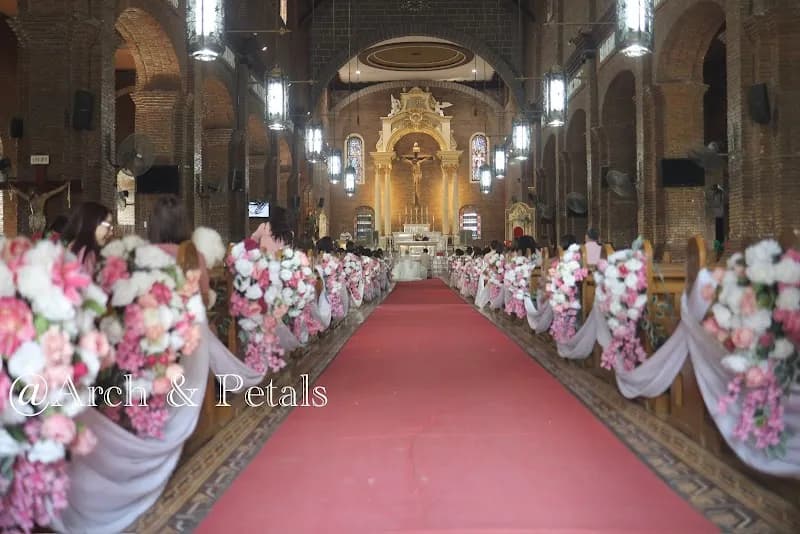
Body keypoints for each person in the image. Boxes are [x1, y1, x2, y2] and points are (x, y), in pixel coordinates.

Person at [147, 195, 211, 305]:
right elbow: (204, 297)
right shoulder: (194, 255)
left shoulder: (141, 255)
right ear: (184, 224)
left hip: (149, 318)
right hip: (186, 318)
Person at [62, 201, 113, 272]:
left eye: (111, 227)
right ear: (91, 223)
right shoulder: (82, 255)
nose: (111, 233)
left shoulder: (80, 251)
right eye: (108, 226)